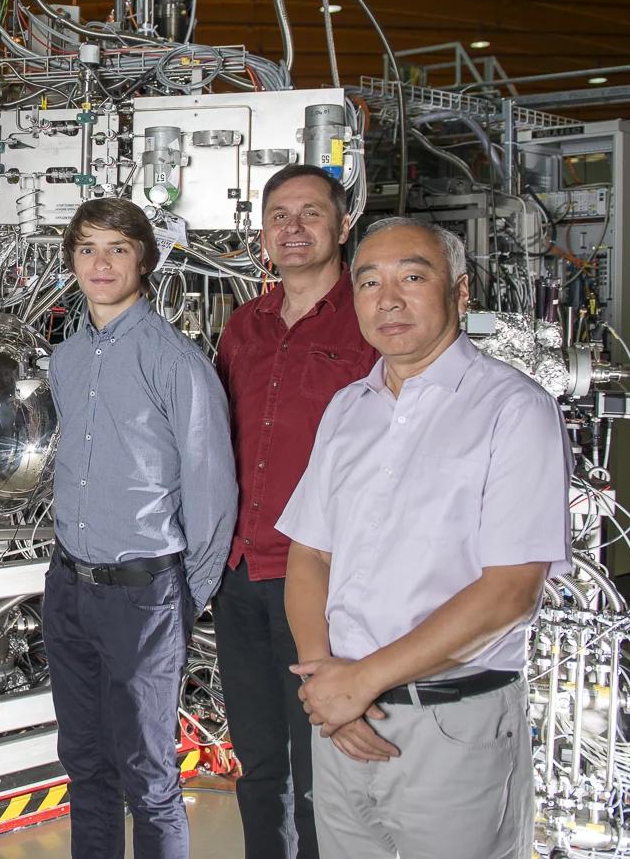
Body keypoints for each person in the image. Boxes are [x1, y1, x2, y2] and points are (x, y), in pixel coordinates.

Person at [277, 217, 571, 859]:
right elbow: (310, 553)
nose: (389, 299)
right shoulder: (348, 409)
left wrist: (359, 684)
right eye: (370, 282)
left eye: (413, 277)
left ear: (461, 293)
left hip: (451, 722)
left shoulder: (513, 409)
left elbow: (510, 592)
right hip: (343, 724)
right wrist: (330, 684)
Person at [44, 197, 238, 859]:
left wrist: (184, 599)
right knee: (85, 765)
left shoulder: (177, 363)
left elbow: (213, 495)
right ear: (71, 260)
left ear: (145, 260)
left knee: (149, 775)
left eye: (118, 248)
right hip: (69, 584)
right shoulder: (65, 361)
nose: (101, 263)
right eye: (88, 248)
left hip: (144, 593)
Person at [213, 165, 377, 859]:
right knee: (258, 761)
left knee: (322, 766)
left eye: (311, 213)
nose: (293, 227)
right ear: (263, 234)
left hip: (323, 577)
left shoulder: (369, 319)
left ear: (343, 226)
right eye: (280, 215)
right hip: (239, 570)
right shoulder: (242, 325)